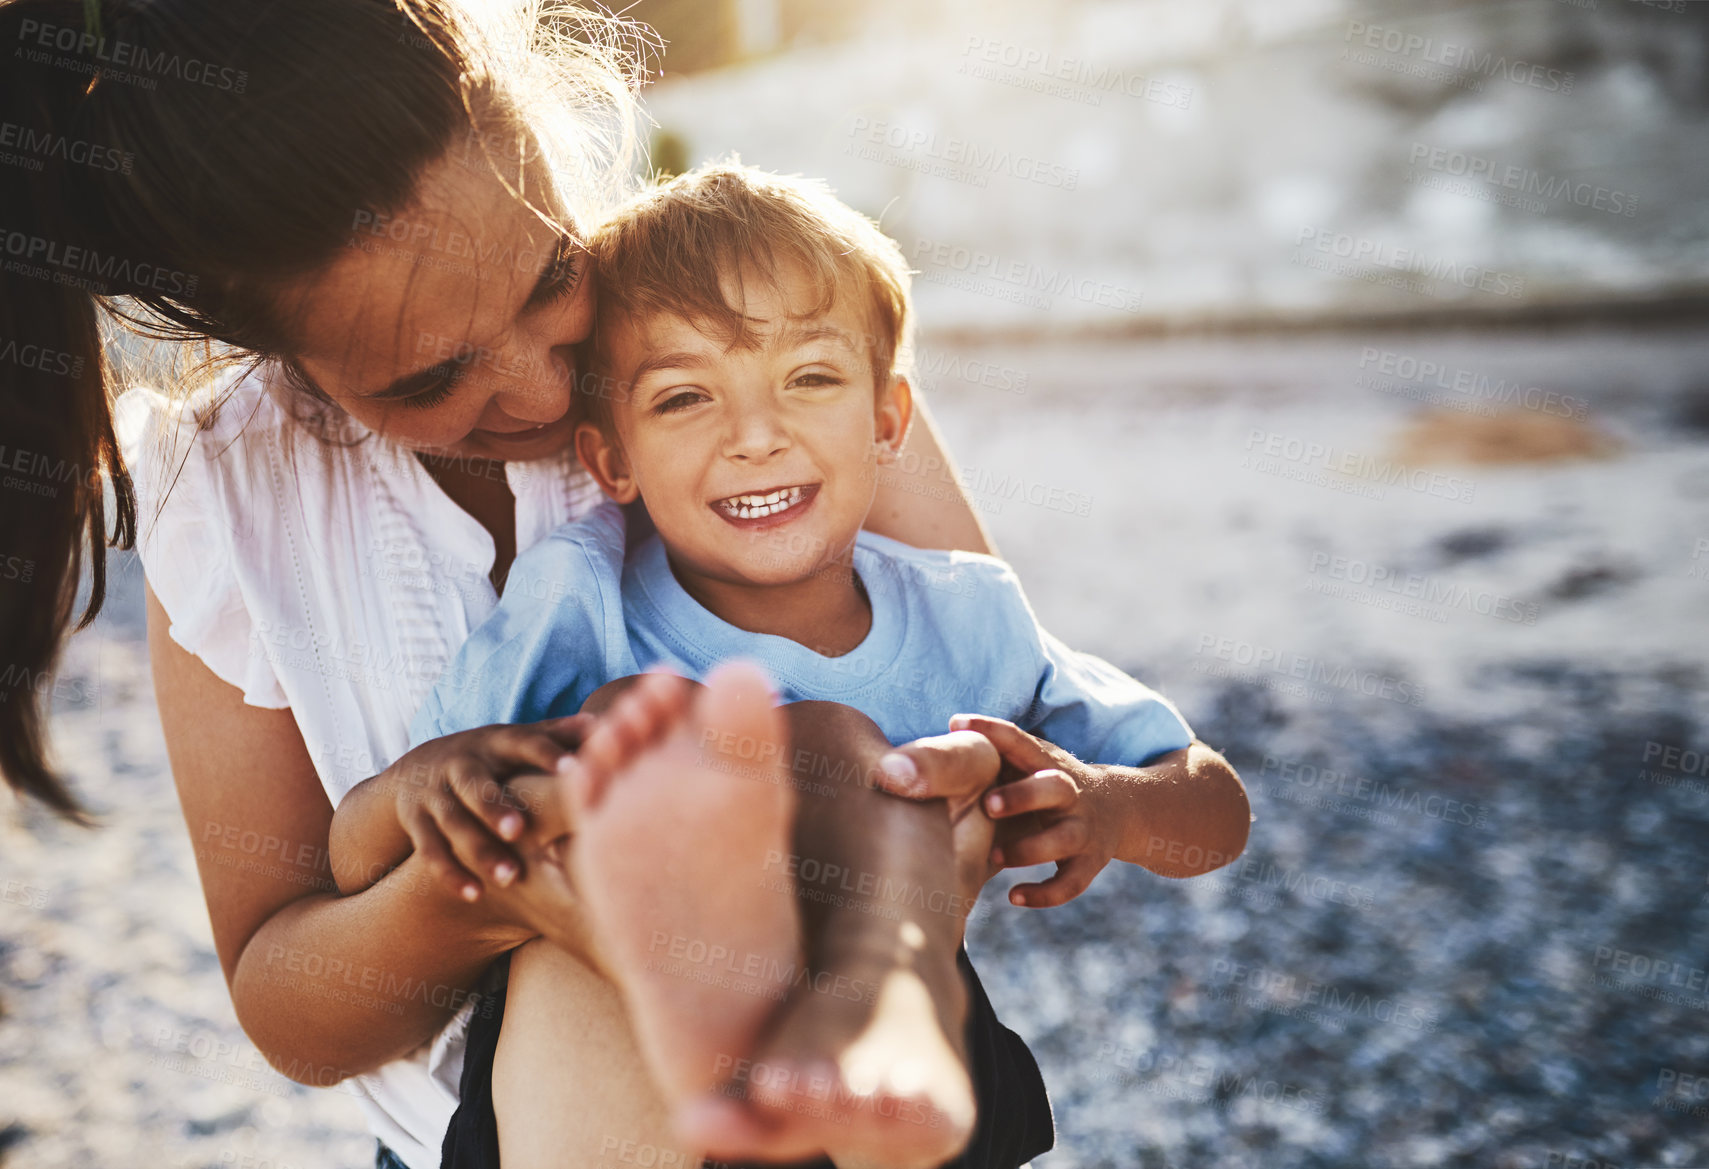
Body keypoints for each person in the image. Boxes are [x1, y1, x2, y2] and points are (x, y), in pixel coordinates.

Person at [1, 2, 1016, 1167]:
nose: (540, 390)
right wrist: (499, 872)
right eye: (431, 374)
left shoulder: (758, 328)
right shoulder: (230, 501)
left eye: (552, 278)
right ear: (274, 342)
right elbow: (287, 1001)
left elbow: (984, 706)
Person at [332, 163, 1253, 1168]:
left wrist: (1106, 801)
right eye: (684, 396)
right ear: (612, 461)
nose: (755, 435)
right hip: (604, 1075)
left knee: (836, 746)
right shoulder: (580, 600)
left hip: (873, 1100)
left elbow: (1210, 805)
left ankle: (877, 1010)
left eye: (809, 378)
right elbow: (357, 856)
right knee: (657, 720)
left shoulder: (964, 616)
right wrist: (419, 786)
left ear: (887, 420)